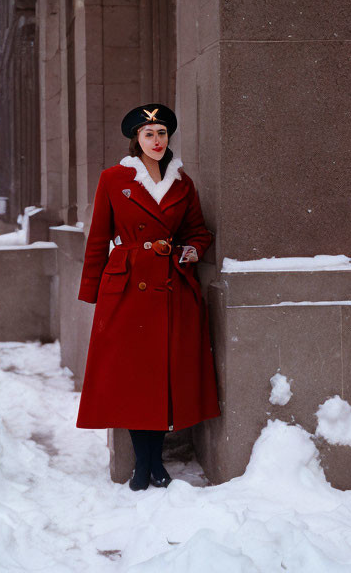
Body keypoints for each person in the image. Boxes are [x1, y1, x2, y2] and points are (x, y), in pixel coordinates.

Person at [77, 103, 220, 491]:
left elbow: (198, 231)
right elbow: (97, 238)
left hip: (172, 287)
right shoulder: (113, 179)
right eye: (148, 135)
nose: (156, 142)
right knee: (136, 380)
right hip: (128, 289)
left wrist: (191, 251)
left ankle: (156, 463)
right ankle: (144, 464)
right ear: (136, 141)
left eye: (161, 134)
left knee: (163, 379)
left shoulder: (182, 182)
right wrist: (92, 289)